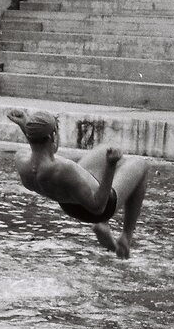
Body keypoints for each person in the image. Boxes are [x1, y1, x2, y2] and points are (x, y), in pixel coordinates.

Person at [8, 110, 149, 258]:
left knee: (105, 149)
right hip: (99, 208)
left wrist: (27, 126)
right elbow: (98, 206)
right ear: (52, 137)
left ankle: (104, 226)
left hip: (68, 204)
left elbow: (38, 148)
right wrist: (110, 166)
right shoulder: (64, 169)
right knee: (141, 165)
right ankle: (126, 238)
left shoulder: (21, 160)